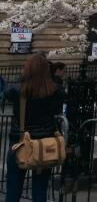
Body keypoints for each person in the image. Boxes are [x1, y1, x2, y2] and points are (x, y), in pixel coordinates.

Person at [4, 54, 66, 202]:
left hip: (20, 143)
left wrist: (23, 78)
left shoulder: (17, 90)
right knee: (40, 190)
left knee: (13, 188)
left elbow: (5, 93)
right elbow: (62, 97)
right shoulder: (55, 90)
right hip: (44, 145)